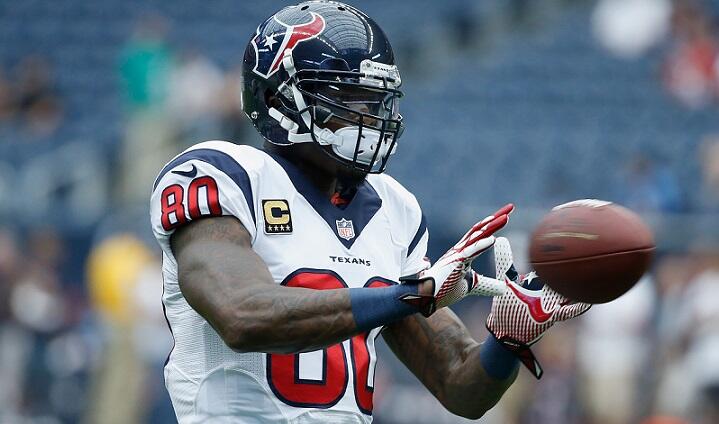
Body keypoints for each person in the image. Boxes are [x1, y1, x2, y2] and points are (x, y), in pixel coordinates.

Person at [149, 2, 590, 422]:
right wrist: (410, 295)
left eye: (376, 101)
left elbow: (459, 385)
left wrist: (507, 338)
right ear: (281, 99)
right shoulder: (222, 175)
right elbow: (243, 315)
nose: (371, 117)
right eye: (351, 99)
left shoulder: (391, 207)